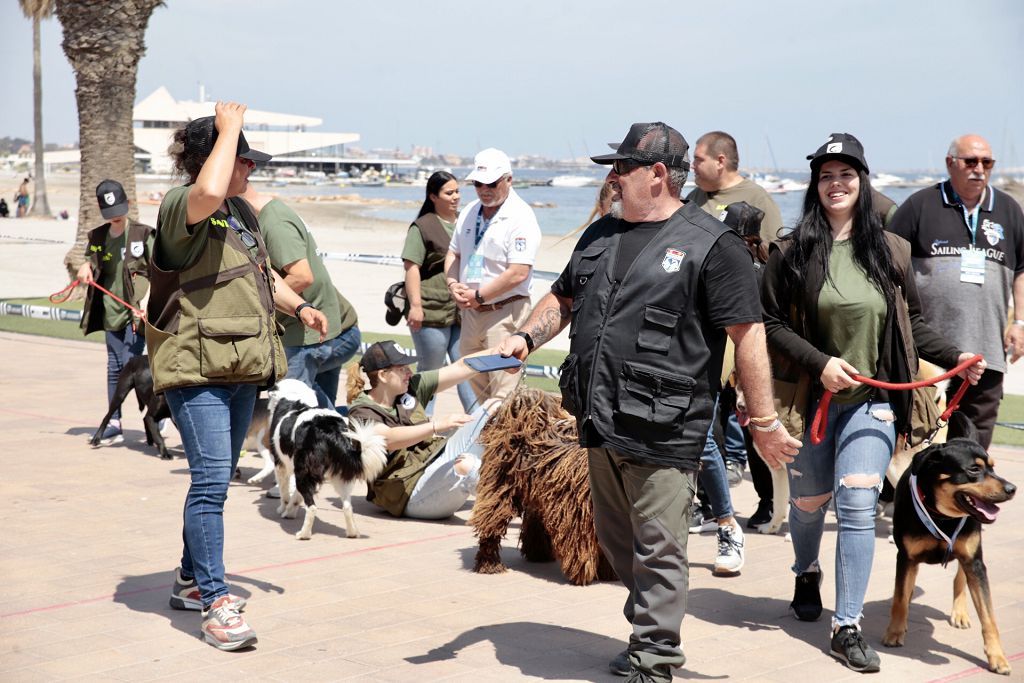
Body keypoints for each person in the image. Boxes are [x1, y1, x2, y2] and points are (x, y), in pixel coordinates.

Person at [498, 122, 800, 683]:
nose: (612, 178)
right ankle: (646, 634)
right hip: (599, 417)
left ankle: (656, 659)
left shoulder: (714, 247)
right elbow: (563, 298)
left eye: (622, 168)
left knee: (660, 547)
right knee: (619, 543)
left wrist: (762, 421)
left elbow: (749, 335)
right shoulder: (600, 235)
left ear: (658, 175)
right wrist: (525, 338)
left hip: (666, 425)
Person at [761, 133, 985, 673]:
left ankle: (847, 625)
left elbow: (913, 325)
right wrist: (821, 363)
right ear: (816, 186)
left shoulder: (891, 251)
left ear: (863, 182)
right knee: (810, 501)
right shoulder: (791, 251)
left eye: (846, 175)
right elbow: (767, 323)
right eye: (826, 176)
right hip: (811, 401)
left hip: (875, 401)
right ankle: (806, 569)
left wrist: (958, 354)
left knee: (859, 504)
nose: (836, 184)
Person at [145, 102, 328, 651]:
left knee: (216, 480)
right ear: (212, 159)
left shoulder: (243, 215)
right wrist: (226, 132)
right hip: (195, 366)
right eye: (241, 159)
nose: (250, 170)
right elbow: (205, 192)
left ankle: (187, 579)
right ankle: (215, 601)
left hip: (242, 366)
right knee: (209, 481)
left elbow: (263, 276)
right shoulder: (185, 203)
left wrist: (299, 307)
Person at [888, 133, 1024, 450]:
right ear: (951, 163)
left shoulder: (1009, 210)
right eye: (971, 161)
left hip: (985, 352)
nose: (979, 168)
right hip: (926, 355)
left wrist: (1020, 323)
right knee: (918, 443)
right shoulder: (920, 205)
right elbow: (886, 262)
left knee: (973, 447)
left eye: (987, 162)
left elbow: (1021, 269)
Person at [241, 184, 361, 410]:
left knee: (295, 409)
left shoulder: (274, 223)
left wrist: (257, 305)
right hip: (326, 327)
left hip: (306, 336)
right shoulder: (273, 214)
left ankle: (347, 428)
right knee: (320, 415)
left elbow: (302, 276)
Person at [346, 341, 496, 519]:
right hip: (410, 495)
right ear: (383, 375)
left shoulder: (411, 387)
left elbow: (461, 367)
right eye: (402, 368)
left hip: (434, 464)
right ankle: (516, 500)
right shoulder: (361, 411)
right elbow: (389, 439)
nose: (409, 372)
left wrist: (502, 352)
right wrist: (436, 425)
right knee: (466, 466)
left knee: (494, 407)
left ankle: (517, 482)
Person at [445, 148, 541, 403]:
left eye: (491, 183)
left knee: (503, 395)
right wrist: (452, 283)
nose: (484, 189)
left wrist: (479, 295)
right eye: (478, 183)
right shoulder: (468, 211)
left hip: (505, 314)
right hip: (471, 313)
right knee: (477, 390)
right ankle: (486, 440)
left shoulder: (521, 216)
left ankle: (501, 441)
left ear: (508, 179)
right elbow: (453, 254)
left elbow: (519, 272)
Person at [77, 179, 155, 446]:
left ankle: (157, 413)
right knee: (114, 367)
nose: (116, 218)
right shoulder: (98, 237)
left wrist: (146, 300)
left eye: (120, 210)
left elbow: (160, 271)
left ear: (128, 204)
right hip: (110, 310)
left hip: (136, 312)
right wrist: (85, 267)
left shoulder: (144, 234)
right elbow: (92, 258)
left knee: (132, 366)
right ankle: (114, 422)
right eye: (110, 214)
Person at [401, 171, 475, 412]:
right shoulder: (422, 227)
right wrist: (416, 306)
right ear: (433, 196)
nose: (456, 197)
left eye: (458, 191)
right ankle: (418, 427)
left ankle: (477, 424)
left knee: (466, 368)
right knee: (431, 372)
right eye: (449, 192)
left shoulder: (466, 221)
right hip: (430, 310)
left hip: (461, 309)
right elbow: (411, 267)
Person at [686, 131, 784, 243]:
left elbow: (774, 251)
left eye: (699, 159)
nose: (692, 166)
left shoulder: (757, 198)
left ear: (720, 161)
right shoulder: (693, 197)